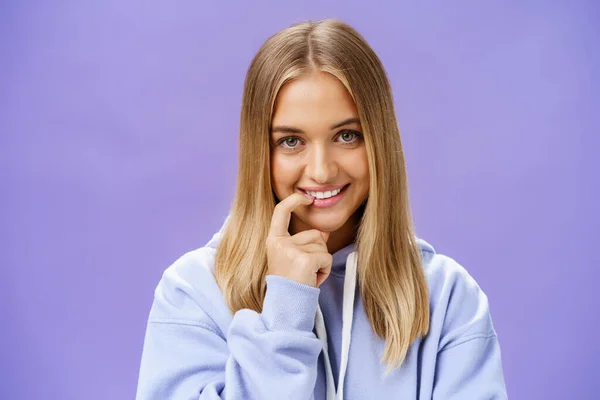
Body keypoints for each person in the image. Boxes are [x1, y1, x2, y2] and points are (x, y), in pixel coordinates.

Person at [136, 19, 507, 400]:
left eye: (347, 136)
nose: (321, 171)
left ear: (379, 141)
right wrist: (285, 308)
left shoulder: (446, 296)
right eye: (291, 141)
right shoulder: (192, 292)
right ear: (260, 152)